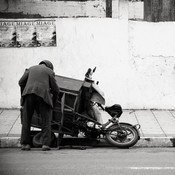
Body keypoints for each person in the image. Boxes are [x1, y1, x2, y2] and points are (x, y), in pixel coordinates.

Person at [19, 60, 59, 151]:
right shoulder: (49, 71)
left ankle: (25, 144)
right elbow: (56, 89)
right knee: (46, 120)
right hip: (43, 96)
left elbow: (21, 82)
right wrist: (54, 100)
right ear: (49, 66)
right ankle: (45, 144)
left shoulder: (30, 69)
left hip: (28, 94)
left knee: (26, 119)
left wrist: (24, 93)